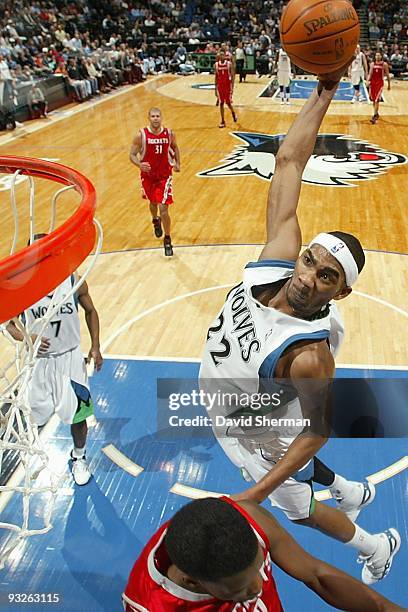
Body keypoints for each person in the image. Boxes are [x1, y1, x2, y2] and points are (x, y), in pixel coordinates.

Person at [199, 63, 401, 585]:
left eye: (326, 276)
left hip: (265, 423)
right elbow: (288, 162)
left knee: (299, 509)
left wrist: (258, 492)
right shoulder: (278, 259)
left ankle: (377, 545)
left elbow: (316, 432)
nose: (308, 276)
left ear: (341, 291)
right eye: (309, 261)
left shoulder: (309, 357)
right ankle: (352, 492)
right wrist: (325, 91)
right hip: (244, 404)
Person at [123, 497, 403, 611]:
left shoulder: (247, 517)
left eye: (259, 569)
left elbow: (316, 575)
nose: (258, 587)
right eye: (241, 587)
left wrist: (387, 609)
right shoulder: (151, 605)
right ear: (193, 583)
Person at [6, 234, 103, 485]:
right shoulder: (22, 286)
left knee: (79, 416)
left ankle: (79, 458)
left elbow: (91, 311)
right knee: (31, 416)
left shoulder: (73, 279)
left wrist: (95, 346)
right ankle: (32, 457)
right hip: (39, 362)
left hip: (70, 359)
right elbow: (10, 325)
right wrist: (28, 337)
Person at [130, 108, 180, 256]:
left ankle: (168, 239)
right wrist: (139, 164)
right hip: (148, 176)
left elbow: (175, 147)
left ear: (161, 117)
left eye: (158, 116)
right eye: (153, 116)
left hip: (164, 176)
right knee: (153, 204)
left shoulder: (169, 134)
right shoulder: (141, 135)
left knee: (164, 208)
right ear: (149, 118)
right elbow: (132, 154)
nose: (156, 118)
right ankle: (154, 220)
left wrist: (178, 163)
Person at [215, 50, 237, 128]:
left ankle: (233, 112)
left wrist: (232, 86)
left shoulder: (229, 64)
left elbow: (232, 75)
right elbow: (216, 77)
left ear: (225, 56)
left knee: (228, 103)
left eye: (223, 55)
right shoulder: (216, 65)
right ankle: (222, 120)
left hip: (227, 85)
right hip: (220, 86)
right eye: (220, 55)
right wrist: (215, 89)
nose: (221, 56)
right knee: (221, 103)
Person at [367, 51, 391, 124]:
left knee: (377, 100)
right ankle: (376, 113)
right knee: (373, 100)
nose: (377, 57)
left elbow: (387, 74)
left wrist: (389, 84)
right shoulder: (372, 64)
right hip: (373, 84)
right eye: (376, 55)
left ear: (381, 56)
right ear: (375, 56)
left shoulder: (384, 64)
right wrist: (367, 81)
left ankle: (374, 116)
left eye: (379, 55)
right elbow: (370, 73)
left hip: (379, 84)